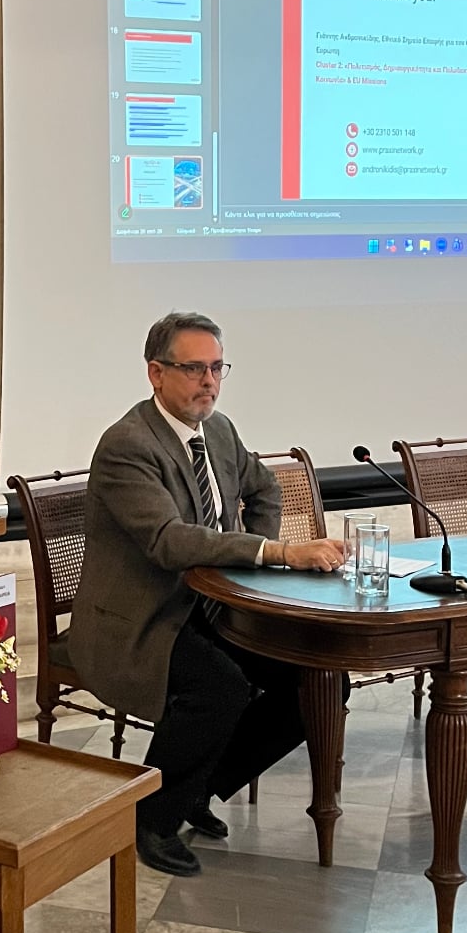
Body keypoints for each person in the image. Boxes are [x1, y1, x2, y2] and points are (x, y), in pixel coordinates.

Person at [69, 311, 346, 877]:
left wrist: (253, 573)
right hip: (141, 619)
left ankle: (197, 786)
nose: (209, 382)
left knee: (319, 679)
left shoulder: (218, 431)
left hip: (212, 606)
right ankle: (150, 818)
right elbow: (168, 542)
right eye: (194, 368)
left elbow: (264, 488)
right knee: (219, 687)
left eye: (218, 368)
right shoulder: (128, 446)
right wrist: (277, 552)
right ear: (156, 373)